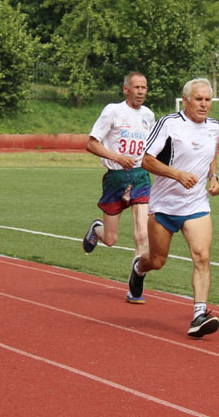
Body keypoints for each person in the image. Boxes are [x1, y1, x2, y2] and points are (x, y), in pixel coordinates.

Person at [127, 78, 219, 337]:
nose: (204, 104)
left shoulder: (214, 127)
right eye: (199, 99)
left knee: (201, 256)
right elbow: (146, 160)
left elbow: (211, 153)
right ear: (186, 100)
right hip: (165, 206)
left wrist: (213, 177)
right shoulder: (170, 124)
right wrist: (177, 175)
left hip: (196, 205)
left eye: (208, 99)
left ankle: (199, 315)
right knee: (157, 260)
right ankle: (139, 268)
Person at [81, 72, 155, 302]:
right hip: (116, 177)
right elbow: (91, 144)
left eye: (144, 87)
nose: (141, 91)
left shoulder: (149, 115)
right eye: (136, 87)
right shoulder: (112, 111)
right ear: (126, 89)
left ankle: (135, 286)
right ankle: (97, 229)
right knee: (111, 239)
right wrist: (117, 157)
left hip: (141, 177)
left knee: (142, 233)